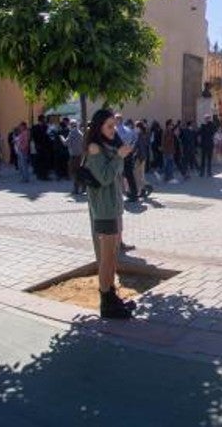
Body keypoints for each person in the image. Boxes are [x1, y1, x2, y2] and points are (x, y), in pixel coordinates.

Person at [81, 109, 136, 320]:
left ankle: (112, 296)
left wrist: (119, 155)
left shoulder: (106, 145)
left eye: (114, 125)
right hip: (103, 210)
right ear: (99, 127)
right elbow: (103, 178)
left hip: (112, 207)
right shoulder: (95, 148)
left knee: (113, 255)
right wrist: (118, 157)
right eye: (109, 126)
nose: (114, 130)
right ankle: (106, 301)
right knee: (106, 258)